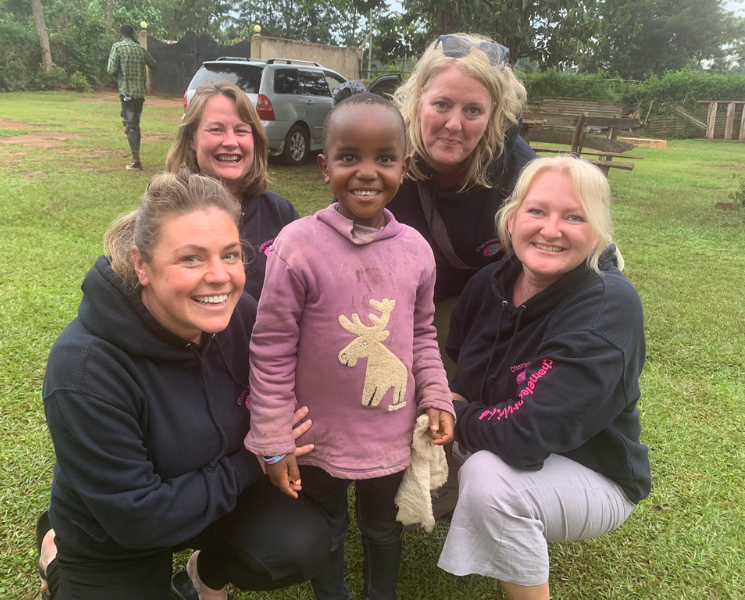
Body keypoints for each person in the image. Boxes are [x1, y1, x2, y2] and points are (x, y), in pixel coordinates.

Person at [36, 170, 329, 600]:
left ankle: (202, 576)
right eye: (191, 259)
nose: (219, 277)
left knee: (299, 541)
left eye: (230, 255)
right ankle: (55, 554)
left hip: (209, 498)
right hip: (115, 533)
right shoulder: (83, 370)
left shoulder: (242, 315)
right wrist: (253, 459)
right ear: (142, 265)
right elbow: (138, 519)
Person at [243, 93, 456, 600]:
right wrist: (273, 436)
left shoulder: (416, 252)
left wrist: (437, 394)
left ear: (404, 167)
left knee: (383, 529)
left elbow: (422, 335)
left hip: (390, 434)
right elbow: (270, 348)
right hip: (318, 441)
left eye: (384, 159)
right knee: (330, 528)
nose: (367, 172)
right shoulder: (297, 245)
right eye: (348, 157)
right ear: (324, 165)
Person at [438, 156, 651, 600]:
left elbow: (526, 433)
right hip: (497, 436)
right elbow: (456, 360)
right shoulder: (488, 283)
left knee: (489, 478)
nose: (551, 230)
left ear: (596, 232)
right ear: (512, 219)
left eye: (574, 217)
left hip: (593, 473)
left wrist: (454, 412)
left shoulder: (606, 307)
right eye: (537, 211)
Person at [388, 33, 537, 376]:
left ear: (493, 113)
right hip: (389, 302)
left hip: (480, 308)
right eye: (442, 105)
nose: (453, 125)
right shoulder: (384, 149)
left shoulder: (516, 169)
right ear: (420, 97)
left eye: (473, 110)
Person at [165, 80, 299, 301]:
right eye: (216, 130)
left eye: (241, 130)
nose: (230, 142)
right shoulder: (167, 213)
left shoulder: (281, 213)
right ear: (192, 139)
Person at [107, 24, 157, 170]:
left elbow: (110, 69)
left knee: (130, 126)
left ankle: (136, 161)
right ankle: (135, 156)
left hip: (126, 93)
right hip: (139, 94)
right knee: (136, 124)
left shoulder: (117, 47)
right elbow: (153, 64)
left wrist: (121, 71)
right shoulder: (140, 49)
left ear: (121, 35)